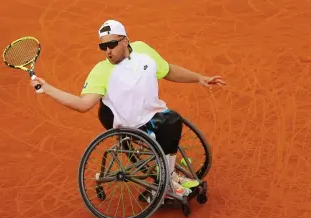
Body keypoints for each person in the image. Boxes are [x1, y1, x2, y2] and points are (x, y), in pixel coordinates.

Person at [30, 20, 225, 197]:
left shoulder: (143, 51)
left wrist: (199, 77)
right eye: (103, 46)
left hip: (151, 113)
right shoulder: (101, 71)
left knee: (172, 120)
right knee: (169, 123)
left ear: (125, 41)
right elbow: (83, 104)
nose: (108, 51)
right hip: (124, 119)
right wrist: (47, 89)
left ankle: (168, 174)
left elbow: (168, 70)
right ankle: (165, 183)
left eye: (112, 45)